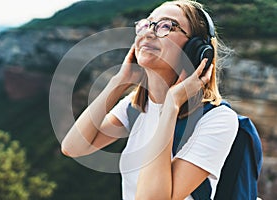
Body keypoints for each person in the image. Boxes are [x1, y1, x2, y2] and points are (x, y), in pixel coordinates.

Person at [61, 0, 239, 199]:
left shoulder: (217, 120)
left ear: (195, 50)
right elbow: (73, 147)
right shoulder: (136, 107)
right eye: (146, 24)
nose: (148, 32)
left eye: (166, 26)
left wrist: (171, 105)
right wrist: (119, 81)